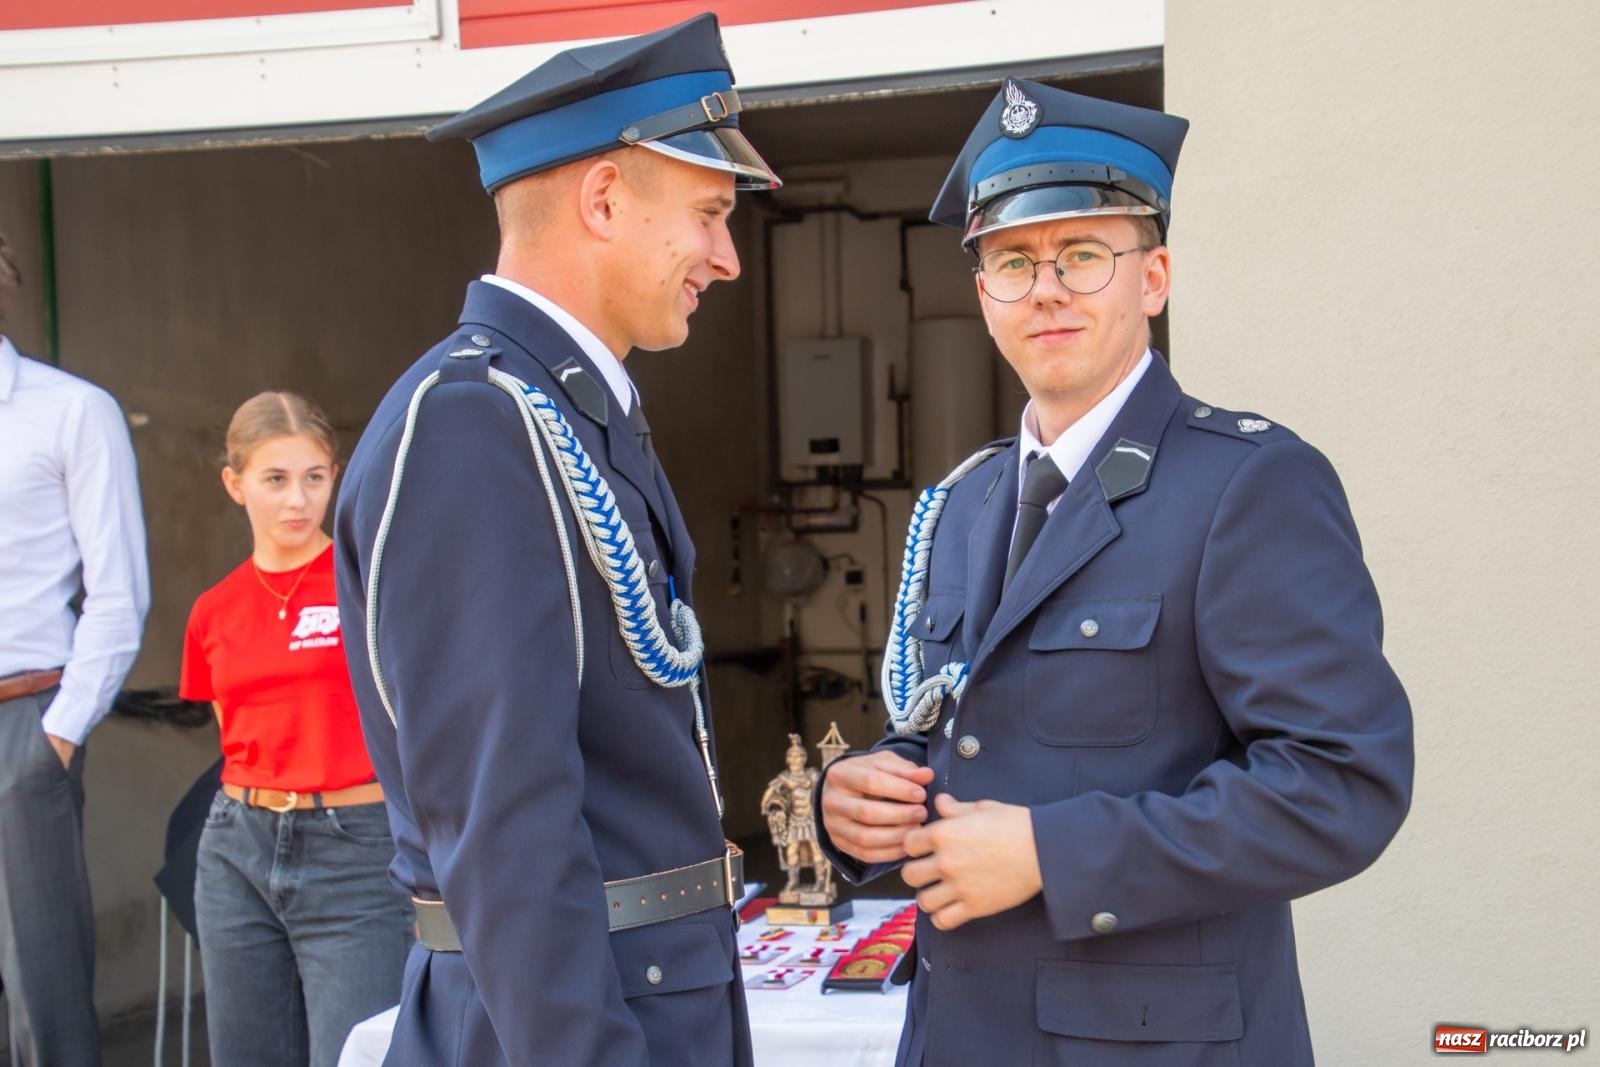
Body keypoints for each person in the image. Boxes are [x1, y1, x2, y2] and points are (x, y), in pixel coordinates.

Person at [817, 79, 1414, 1066]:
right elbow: (959, 730)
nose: (1044, 287)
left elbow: (1339, 783)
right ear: (981, 294)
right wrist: (863, 797)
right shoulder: (967, 504)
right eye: (1011, 261)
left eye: (1082, 255)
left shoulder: (1248, 485)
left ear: (1154, 277)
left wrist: (1054, 854)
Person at [332, 13, 780, 1065]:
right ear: (605, 197)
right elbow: (505, 828)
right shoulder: (472, 423)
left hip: (647, 995)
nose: (726, 258)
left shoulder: (565, 411)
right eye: (710, 214)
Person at [179, 392, 409, 1067]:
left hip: (357, 850)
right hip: (236, 848)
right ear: (235, 483)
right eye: (274, 479)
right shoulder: (212, 610)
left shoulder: (370, 585)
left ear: (336, 474)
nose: (297, 500)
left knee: (354, 1052)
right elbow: (235, 734)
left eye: (314, 476)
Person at [0, 228, 148, 1065]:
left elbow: (119, 591)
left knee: (43, 987)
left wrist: (57, 735)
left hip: (23, 722)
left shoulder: (70, 410)